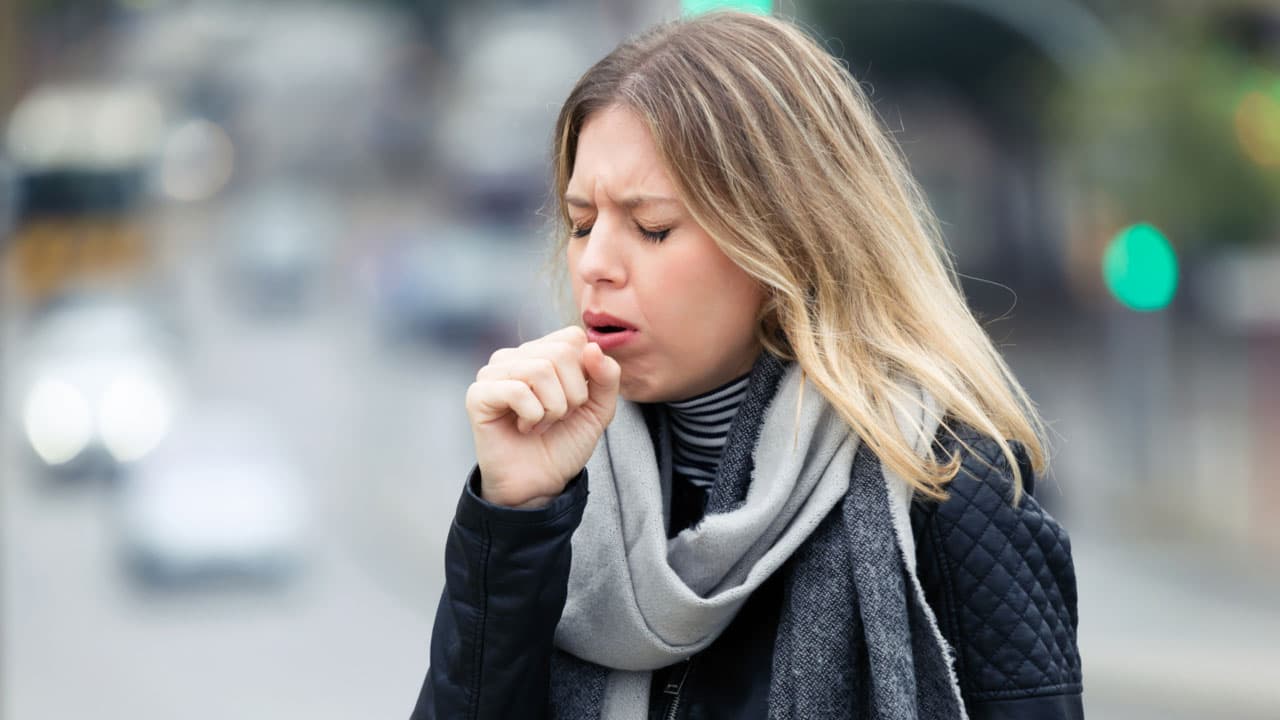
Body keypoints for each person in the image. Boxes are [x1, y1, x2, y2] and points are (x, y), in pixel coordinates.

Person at [410, 10, 1082, 720]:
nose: (596, 265)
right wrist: (513, 518)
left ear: (785, 240)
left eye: (652, 228)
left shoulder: (950, 485)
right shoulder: (555, 489)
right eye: (582, 224)